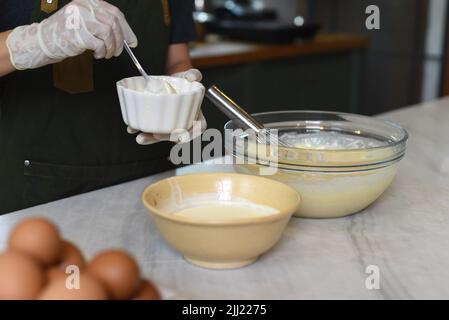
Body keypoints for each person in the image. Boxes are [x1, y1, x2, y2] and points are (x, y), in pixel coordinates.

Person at [0, 0, 206, 214]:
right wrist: (38, 40)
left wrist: (184, 92)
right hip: (38, 188)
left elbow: (177, 59)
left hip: (150, 179)